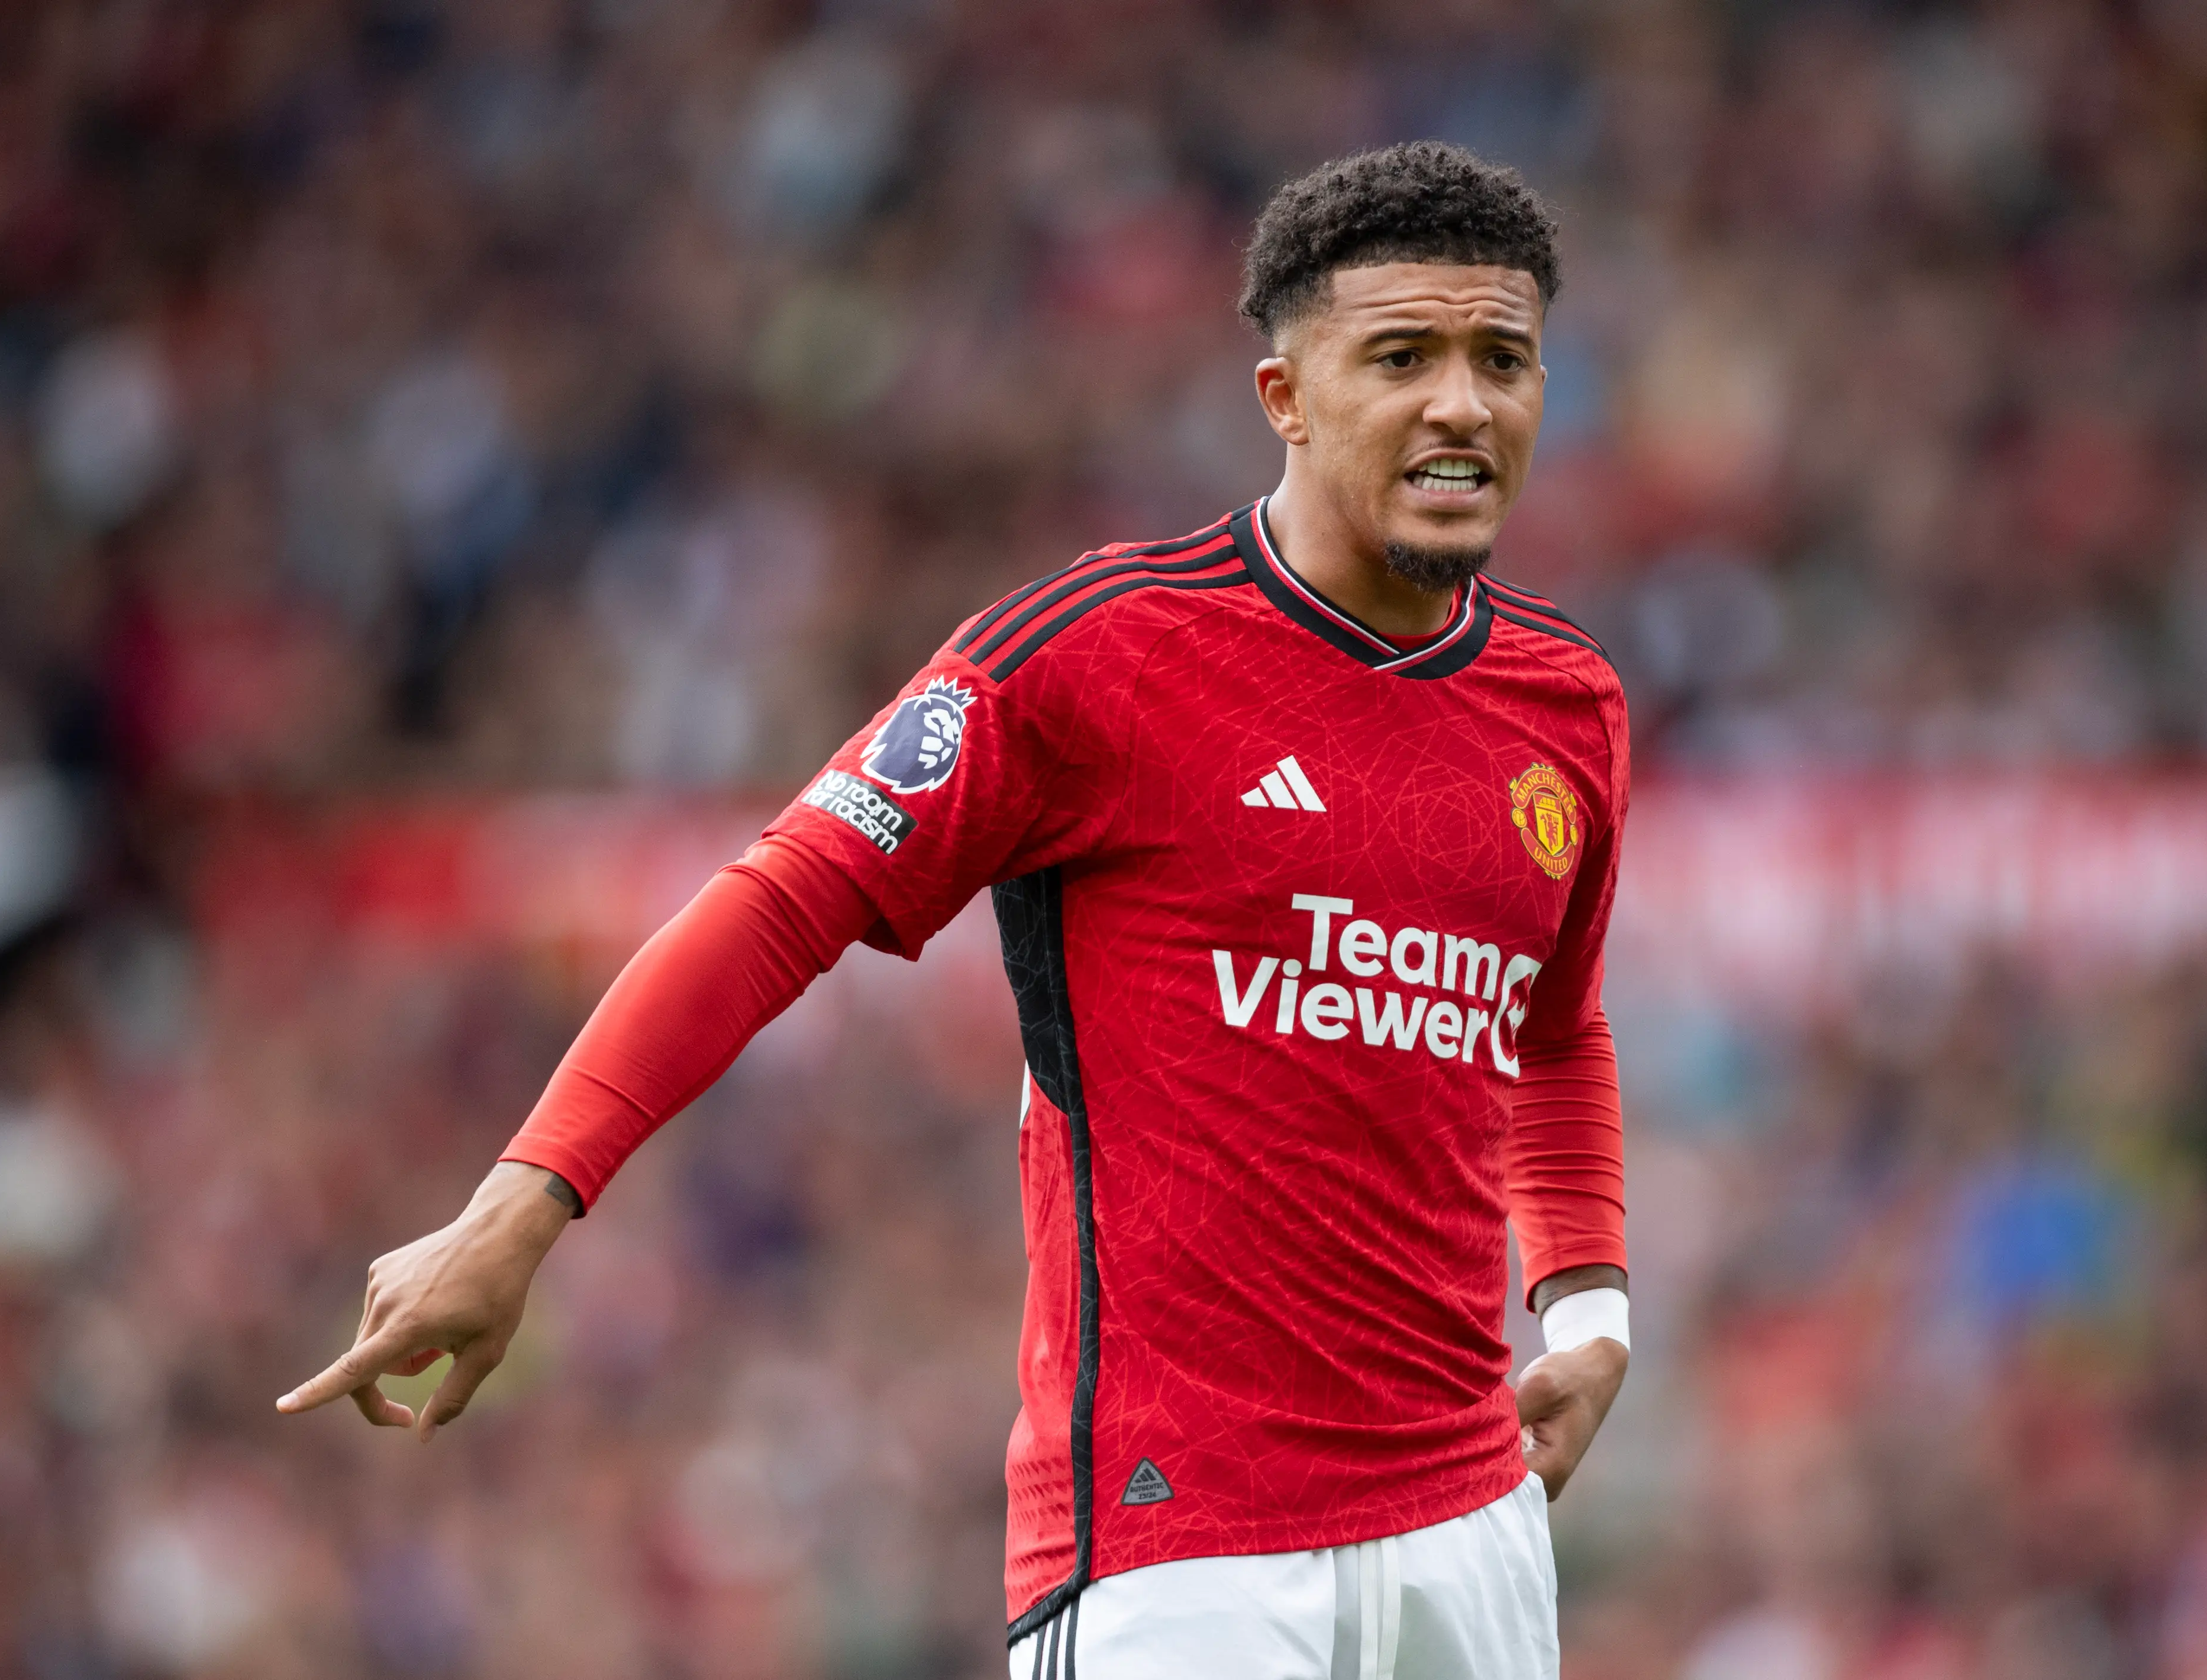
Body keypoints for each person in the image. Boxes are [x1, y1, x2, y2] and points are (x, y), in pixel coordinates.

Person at [280, 140, 1632, 1680]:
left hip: (1476, 1531)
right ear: (1288, 399)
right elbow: (787, 894)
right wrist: (523, 1201)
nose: (1463, 401)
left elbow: (1557, 1020)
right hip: (1177, 1551)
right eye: (1404, 355)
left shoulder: (1568, 706)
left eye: (1502, 359)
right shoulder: (1098, 655)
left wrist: (1591, 1307)